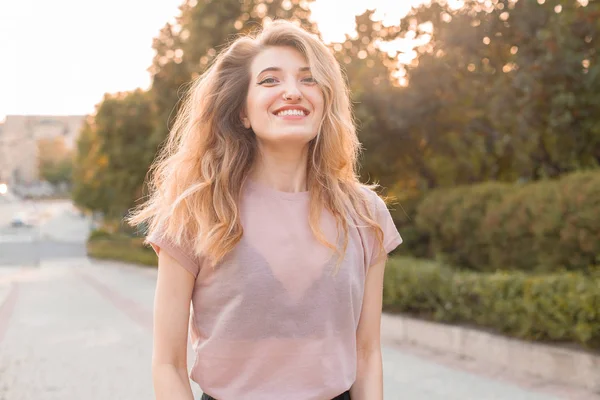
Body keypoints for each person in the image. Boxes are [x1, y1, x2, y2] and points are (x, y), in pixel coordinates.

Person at [127, 19, 402, 400]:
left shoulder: (365, 213)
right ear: (243, 112)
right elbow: (168, 365)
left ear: (324, 103)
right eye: (270, 80)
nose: (292, 91)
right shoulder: (198, 211)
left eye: (308, 80)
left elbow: (367, 353)